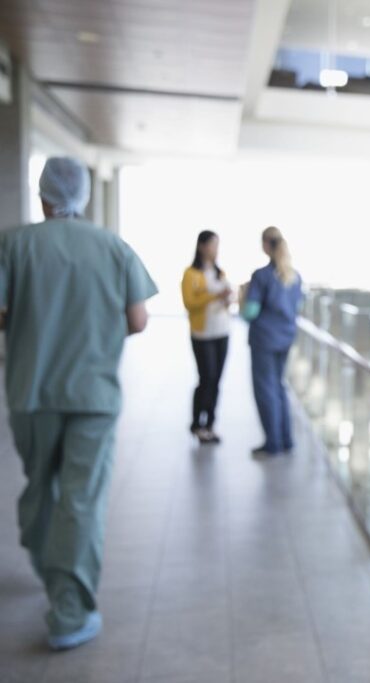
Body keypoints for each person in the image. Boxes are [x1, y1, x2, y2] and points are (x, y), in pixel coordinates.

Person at [0, 157, 157, 650]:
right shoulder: (113, 247)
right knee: (81, 498)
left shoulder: (13, 244)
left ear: (43, 194)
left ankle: (49, 563)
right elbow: (137, 319)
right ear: (84, 196)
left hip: (30, 391)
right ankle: (69, 612)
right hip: (92, 395)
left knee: (40, 486)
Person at [242, 226, 302, 458]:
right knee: (279, 386)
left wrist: (243, 298)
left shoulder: (261, 276)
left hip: (265, 339)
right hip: (285, 337)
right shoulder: (294, 276)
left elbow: (250, 312)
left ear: (266, 245)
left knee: (266, 389)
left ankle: (273, 443)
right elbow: (296, 308)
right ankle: (286, 439)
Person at [181, 230, 232, 444]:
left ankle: (210, 423)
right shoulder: (191, 274)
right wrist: (213, 296)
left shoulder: (220, 272)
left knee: (217, 379)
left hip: (222, 330)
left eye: (217, 245)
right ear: (202, 246)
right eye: (212, 245)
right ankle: (197, 423)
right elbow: (190, 303)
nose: (215, 249)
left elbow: (226, 300)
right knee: (206, 377)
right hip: (202, 334)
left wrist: (227, 299)